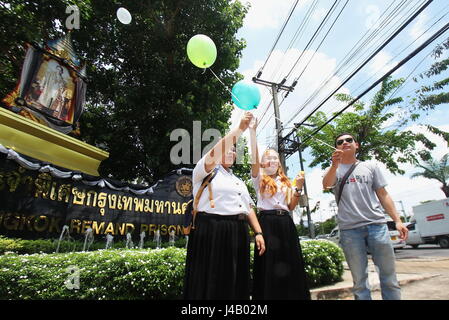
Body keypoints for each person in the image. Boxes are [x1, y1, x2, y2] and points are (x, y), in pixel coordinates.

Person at [183, 111, 266, 300]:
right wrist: (239, 129)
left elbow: (248, 209)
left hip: (238, 230)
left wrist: (258, 232)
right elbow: (216, 152)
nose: (230, 152)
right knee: (210, 281)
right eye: (227, 149)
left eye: (234, 150)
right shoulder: (203, 171)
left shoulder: (238, 181)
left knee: (236, 281)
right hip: (211, 230)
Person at [322, 132, 408, 300]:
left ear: (357, 145)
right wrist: (334, 165)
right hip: (349, 231)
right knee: (360, 282)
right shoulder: (334, 169)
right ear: (336, 147)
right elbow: (326, 184)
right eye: (340, 142)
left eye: (349, 140)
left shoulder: (371, 166)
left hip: (377, 226)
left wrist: (397, 220)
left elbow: (383, 194)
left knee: (389, 278)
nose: (345, 143)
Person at [249, 117, 311, 300]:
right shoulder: (258, 178)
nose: (272, 160)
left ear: (279, 162)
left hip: (285, 222)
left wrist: (298, 187)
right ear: (262, 163)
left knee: (290, 262)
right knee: (268, 264)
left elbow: (291, 206)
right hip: (267, 223)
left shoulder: (286, 181)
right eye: (268, 158)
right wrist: (252, 132)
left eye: (275, 157)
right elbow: (253, 156)